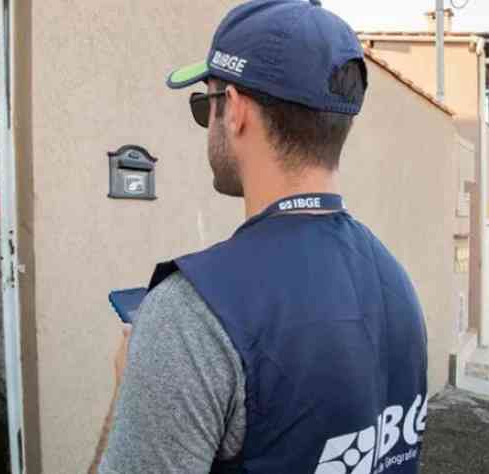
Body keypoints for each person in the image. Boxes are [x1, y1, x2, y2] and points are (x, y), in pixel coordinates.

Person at [90, 1, 428, 473]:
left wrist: (130, 390)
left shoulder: (191, 314)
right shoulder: (397, 283)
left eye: (204, 104)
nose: (207, 123)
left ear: (236, 110)